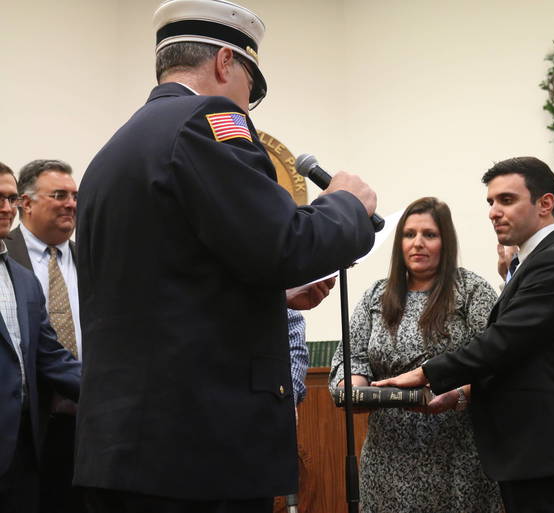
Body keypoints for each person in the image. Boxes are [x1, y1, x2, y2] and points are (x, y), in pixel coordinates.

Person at [72, 1, 377, 512]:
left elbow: (168, 284)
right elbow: (284, 244)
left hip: (125, 448)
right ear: (224, 61)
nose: (248, 107)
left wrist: (275, 295)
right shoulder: (207, 119)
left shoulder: (113, 151)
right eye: (250, 89)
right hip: (198, 451)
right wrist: (347, 204)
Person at [373, 157, 554, 513]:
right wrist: (459, 395)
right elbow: (518, 356)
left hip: (547, 452)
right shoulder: (534, 262)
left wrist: (425, 373)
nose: (494, 212)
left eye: (506, 200)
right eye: (491, 202)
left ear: (545, 203)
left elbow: (502, 343)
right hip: (532, 452)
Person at [329, 197, 503, 513]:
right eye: (409, 234)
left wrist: (458, 396)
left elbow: (495, 364)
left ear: (446, 242)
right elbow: (352, 358)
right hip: (386, 462)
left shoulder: (471, 290)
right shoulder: (377, 295)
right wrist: (356, 390)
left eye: (429, 235)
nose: (417, 243)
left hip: (457, 459)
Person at [0, 162, 80, 513]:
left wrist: (109, 392)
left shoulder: (21, 279)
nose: (7, 208)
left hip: (27, 447)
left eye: (10, 198)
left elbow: (50, 356)